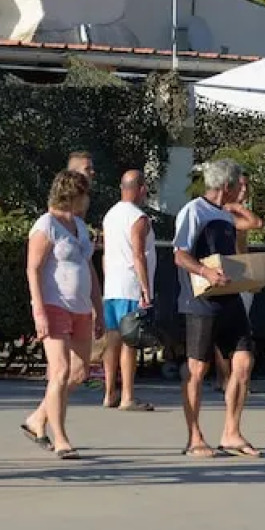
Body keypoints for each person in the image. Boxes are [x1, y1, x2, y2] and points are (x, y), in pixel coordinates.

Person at [173, 159, 264, 458]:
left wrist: (250, 277)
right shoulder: (193, 211)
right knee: (197, 369)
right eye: (240, 183)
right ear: (227, 185)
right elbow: (180, 254)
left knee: (244, 362)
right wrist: (204, 272)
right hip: (201, 301)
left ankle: (231, 433)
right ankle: (194, 436)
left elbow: (233, 256)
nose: (243, 189)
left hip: (230, 299)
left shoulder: (226, 216)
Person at [21, 169, 100, 460]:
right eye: (85, 194)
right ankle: (61, 437)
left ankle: (37, 418)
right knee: (60, 371)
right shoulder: (46, 226)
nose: (88, 200)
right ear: (72, 195)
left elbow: (88, 268)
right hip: (55, 305)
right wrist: (38, 310)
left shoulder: (78, 225)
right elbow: (33, 268)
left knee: (79, 373)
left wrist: (98, 309)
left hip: (81, 308)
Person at [100, 169, 156, 412]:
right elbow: (138, 254)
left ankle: (109, 392)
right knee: (130, 341)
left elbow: (105, 251)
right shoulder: (138, 218)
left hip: (112, 285)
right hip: (130, 285)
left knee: (113, 339)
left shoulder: (110, 215)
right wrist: (145, 288)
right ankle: (128, 396)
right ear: (141, 188)